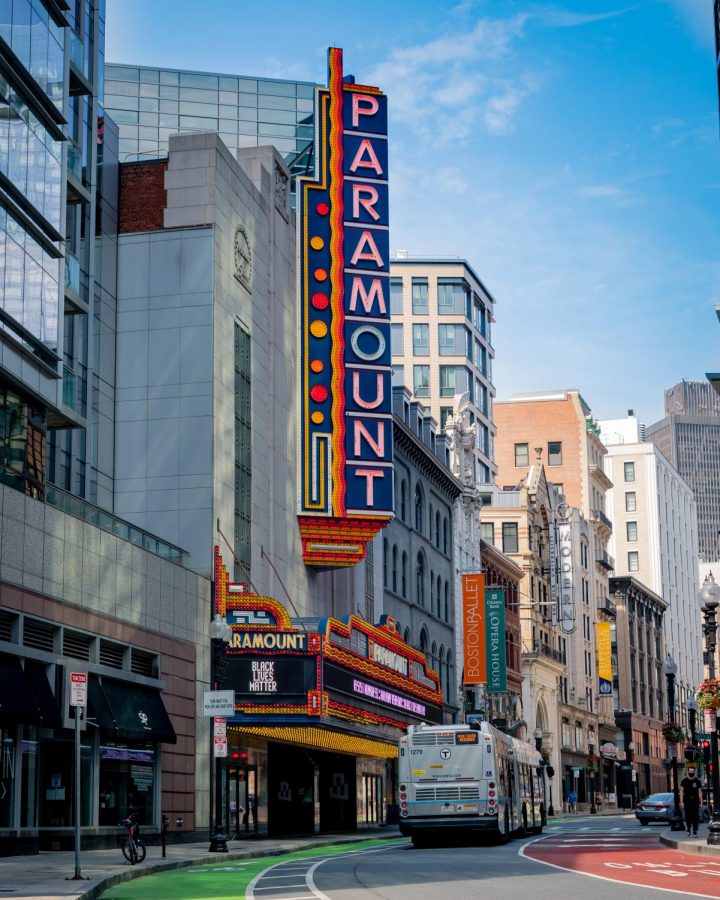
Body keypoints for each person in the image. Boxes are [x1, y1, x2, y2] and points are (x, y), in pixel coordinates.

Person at [680, 765, 703, 837]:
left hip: (695, 801)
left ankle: (695, 831)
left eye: (692, 771)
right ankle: (688, 830)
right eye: (690, 771)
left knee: (695, 816)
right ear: (688, 772)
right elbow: (681, 792)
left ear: (694, 772)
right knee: (688, 816)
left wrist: (701, 802)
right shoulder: (684, 781)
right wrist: (681, 802)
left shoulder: (697, 781)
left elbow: (700, 792)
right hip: (687, 801)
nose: (691, 773)